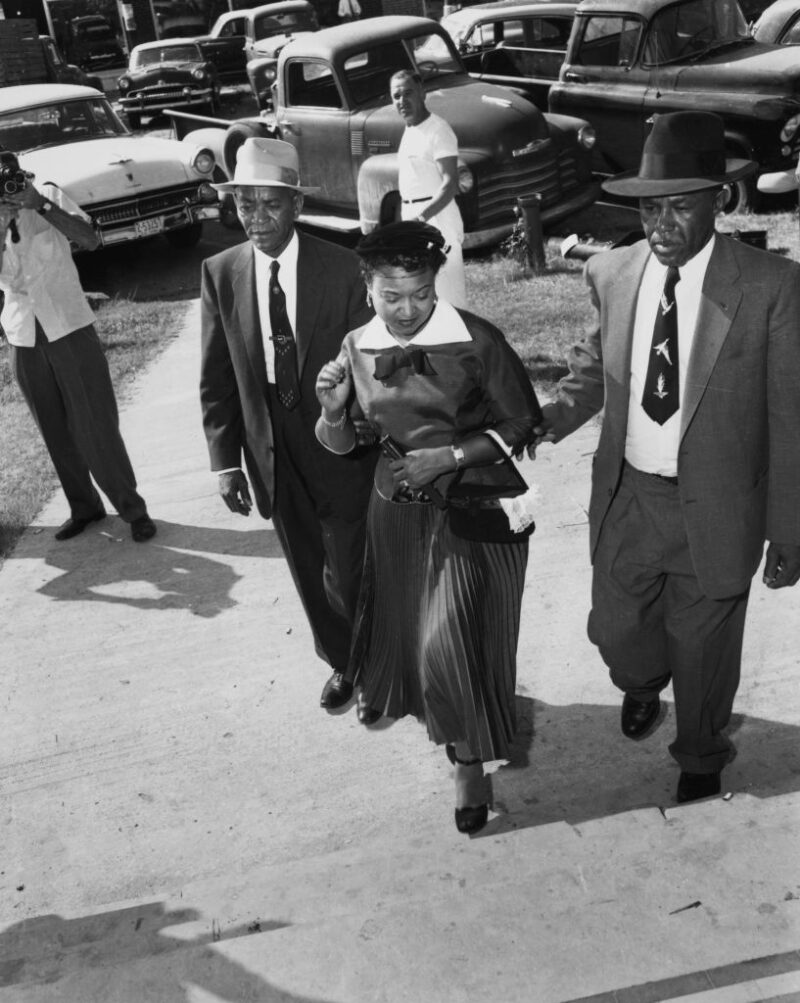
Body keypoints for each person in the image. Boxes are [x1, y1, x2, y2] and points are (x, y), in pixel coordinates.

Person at [530, 111, 800, 804]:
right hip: (630, 500)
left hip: (720, 504)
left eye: (681, 205)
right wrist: (544, 419)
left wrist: (789, 529)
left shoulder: (770, 287)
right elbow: (597, 368)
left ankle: (702, 756)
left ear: (720, 199)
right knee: (618, 632)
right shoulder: (613, 272)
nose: (663, 223)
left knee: (705, 650)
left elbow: (788, 416)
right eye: (652, 206)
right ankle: (643, 681)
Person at [315, 221, 541, 835]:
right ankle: (453, 728)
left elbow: (523, 421)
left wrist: (452, 456)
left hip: (469, 512)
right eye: (392, 296)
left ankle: (469, 766)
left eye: (419, 292)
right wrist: (333, 414)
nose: (408, 308)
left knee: (451, 643)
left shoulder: (476, 339)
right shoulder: (355, 345)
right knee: (417, 644)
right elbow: (350, 441)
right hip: (395, 515)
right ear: (368, 289)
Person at [200, 137, 376, 712]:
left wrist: (355, 416)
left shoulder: (343, 267)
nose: (256, 217)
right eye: (245, 204)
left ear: (296, 205)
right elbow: (217, 377)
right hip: (270, 444)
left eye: (269, 203)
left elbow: (370, 364)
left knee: (350, 562)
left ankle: (379, 658)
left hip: (337, 432)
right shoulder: (220, 273)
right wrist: (226, 462)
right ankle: (343, 663)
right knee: (305, 560)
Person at [0, 158, 156, 544]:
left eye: (11, 176)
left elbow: (90, 239)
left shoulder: (49, 194)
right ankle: (84, 507)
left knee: (96, 426)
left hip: (69, 326)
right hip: (23, 334)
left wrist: (40, 206)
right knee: (53, 430)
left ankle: (133, 509)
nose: (10, 186)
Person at [390, 70, 467, 309]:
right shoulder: (409, 130)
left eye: (408, 93)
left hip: (438, 222)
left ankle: (462, 345)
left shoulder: (438, 130)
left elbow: (450, 184)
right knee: (424, 296)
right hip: (416, 223)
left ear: (423, 93)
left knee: (449, 298)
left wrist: (421, 219)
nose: (402, 101)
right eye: (396, 96)